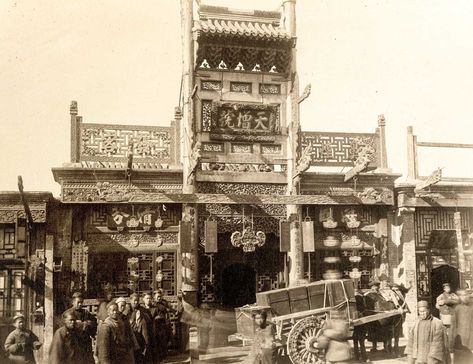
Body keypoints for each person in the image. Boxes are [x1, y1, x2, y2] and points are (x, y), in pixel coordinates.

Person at [63, 292, 96, 364]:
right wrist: (82, 325)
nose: (80, 304)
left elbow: (93, 324)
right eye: (78, 302)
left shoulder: (86, 313)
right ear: (73, 302)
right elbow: (64, 329)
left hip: (85, 345)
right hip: (73, 344)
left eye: (81, 302)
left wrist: (88, 324)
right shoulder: (68, 314)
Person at [151, 289, 175, 363]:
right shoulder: (153, 304)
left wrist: (174, 311)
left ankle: (164, 357)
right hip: (156, 325)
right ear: (154, 297)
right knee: (157, 342)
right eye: (157, 296)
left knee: (164, 340)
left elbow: (169, 309)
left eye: (160, 296)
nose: (159, 298)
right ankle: (159, 358)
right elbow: (152, 315)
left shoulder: (164, 303)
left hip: (164, 324)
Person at [129, 293, 153, 363]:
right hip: (132, 334)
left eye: (137, 300)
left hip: (142, 335)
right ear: (130, 300)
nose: (136, 302)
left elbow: (149, 320)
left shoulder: (143, 310)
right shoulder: (127, 309)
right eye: (134, 300)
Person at [436, 283, 459, 352]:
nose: (447, 289)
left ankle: (451, 347)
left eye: (448, 288)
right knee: (444, 331)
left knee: (451, 332)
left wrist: (447, 301)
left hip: (451, 314)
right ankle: (445, 347)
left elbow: (458, 300)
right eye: (446, 288)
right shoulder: (441, 295)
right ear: (444, 289)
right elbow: (438, 303)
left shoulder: (453, 295)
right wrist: (443, 304)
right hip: (444, 315)